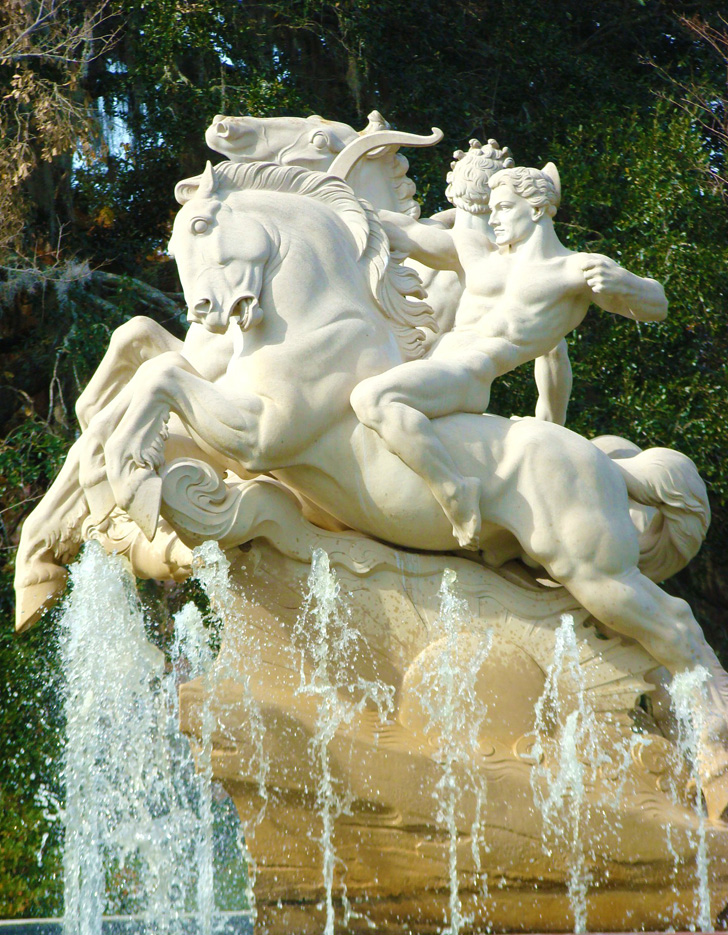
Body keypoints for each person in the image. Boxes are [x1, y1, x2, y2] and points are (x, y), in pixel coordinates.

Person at [350, 163, 668, 550]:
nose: (493, 218)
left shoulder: (574, 271)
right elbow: (407, 230)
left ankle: (455, 492)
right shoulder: (479, 253)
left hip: (468, 374)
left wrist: (628, 284)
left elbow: (657, 304)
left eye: (503, 208)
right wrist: (337, 203)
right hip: (426, 365)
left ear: (536, 209)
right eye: (492, 208)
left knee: (372, 398)